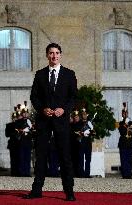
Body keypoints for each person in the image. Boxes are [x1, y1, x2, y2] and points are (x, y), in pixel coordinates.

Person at [24, 43, 77, 201]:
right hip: (44, 121)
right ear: (47, 55)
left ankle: (69, 192)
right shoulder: (40, 74)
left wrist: (64, 109)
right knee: (40, 156)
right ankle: (36, 190)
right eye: (51, 53)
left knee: (65, 157)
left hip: (61, 122)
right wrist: (42, 109)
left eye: (57, 53)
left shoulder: (69, 74)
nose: (54, 56)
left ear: (60, 55)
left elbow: (73, 97)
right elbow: (34, 97)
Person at [118, 103, 132, 179]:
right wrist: (125, 123)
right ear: (122, 114)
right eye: (123, 113)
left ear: (127, 114)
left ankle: (129, 174)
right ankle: (124, 175)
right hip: (123, 143)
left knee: (129, 159)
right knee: (123, 159)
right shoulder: (121, 123)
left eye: (126, 113)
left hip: (129, 144)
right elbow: (122, 132)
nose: (125, 114)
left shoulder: (131, 123)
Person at [76, 108, 95, 178]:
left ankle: (87, 174)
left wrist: (90, 132)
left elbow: (93, 133)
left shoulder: (90, 123)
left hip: (88, 143)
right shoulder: (79, 123)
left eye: (85, 114)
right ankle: (81, 173)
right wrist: (83, 133)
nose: (84, 115)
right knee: (81, 158)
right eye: (83, 114)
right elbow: (77, 132)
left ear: (87, 115)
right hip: (81, 143)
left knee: (88, 159)